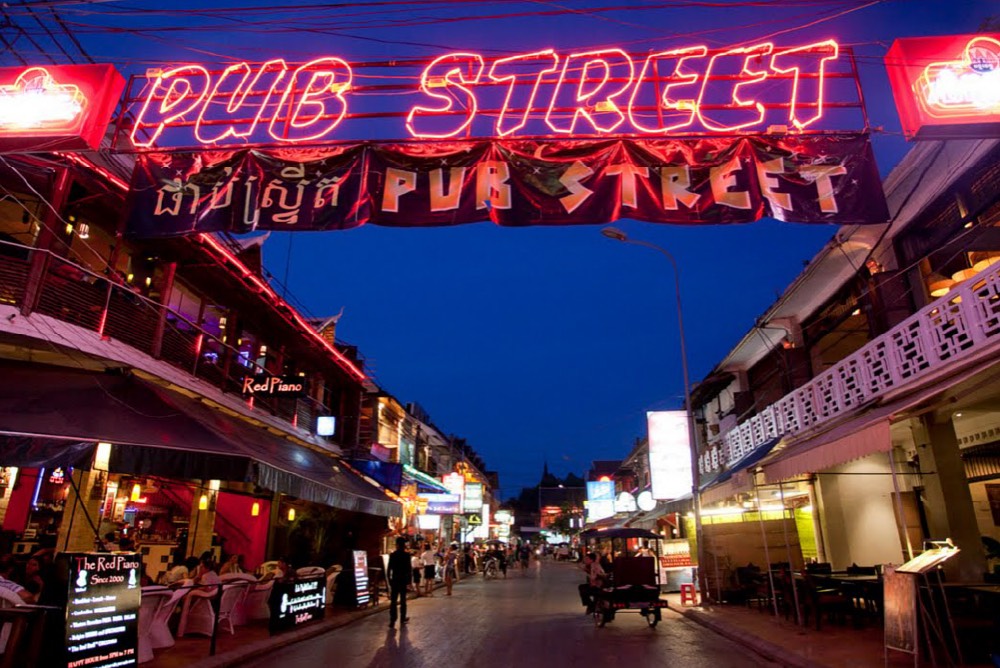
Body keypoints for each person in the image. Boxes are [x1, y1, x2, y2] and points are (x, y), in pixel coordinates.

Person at [386, 537, 411, 628]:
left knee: (393, 601)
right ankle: (402, 618)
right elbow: (409, 570)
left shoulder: (393, 555)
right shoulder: (407, 555)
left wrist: (389, 580)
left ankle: (392, 620)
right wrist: (409, 582)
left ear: (396, 544)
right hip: (403, 580)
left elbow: (389, 570)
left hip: (395, 580)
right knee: (403, 600)